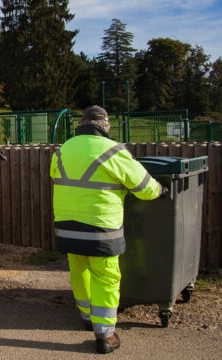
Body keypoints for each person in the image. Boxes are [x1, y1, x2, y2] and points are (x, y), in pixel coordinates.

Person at [50, 105, 165, 354]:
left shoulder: (63, 150)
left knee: (79, 271)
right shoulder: (113, 151)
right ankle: (105, 335)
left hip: (67, 226)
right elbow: (145, 188)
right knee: (106, 278)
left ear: (81, 125)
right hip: (101, 228)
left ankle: (87, 316)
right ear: (105, 126)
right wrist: (160, 190)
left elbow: (56, 177)